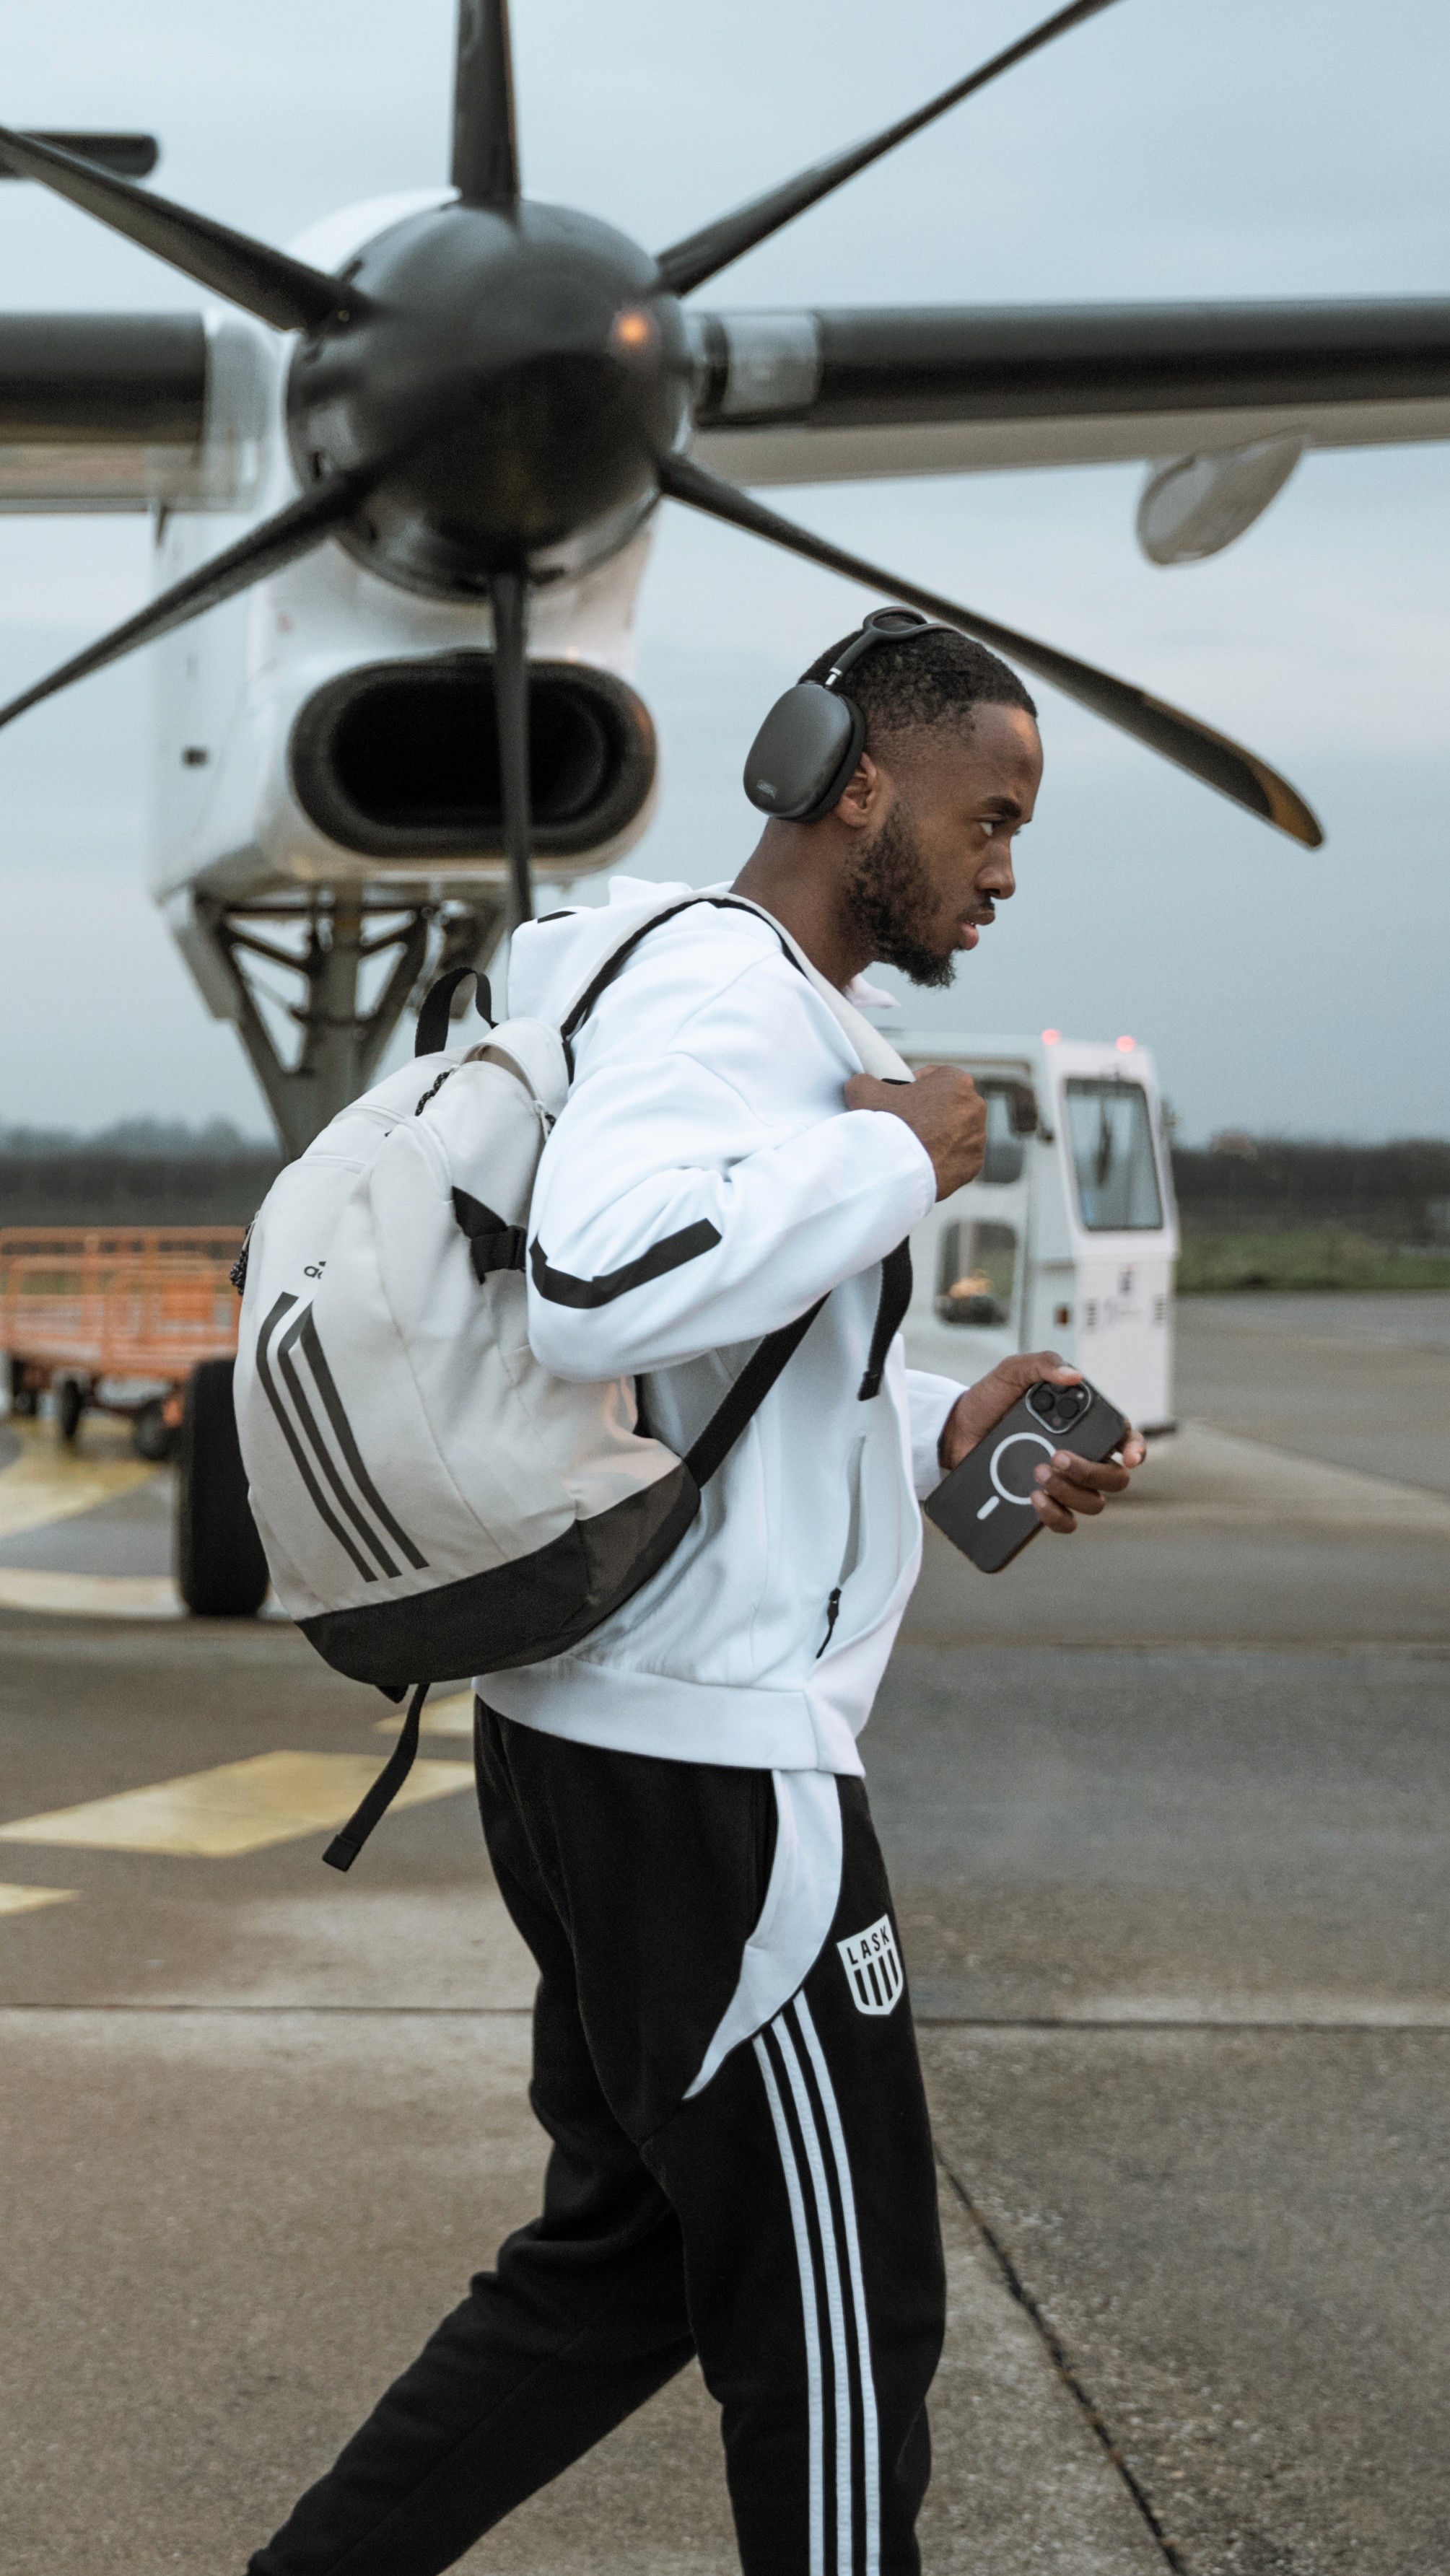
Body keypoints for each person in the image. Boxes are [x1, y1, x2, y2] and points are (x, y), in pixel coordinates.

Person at [250, 621, 1146, 2576]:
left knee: (626, 2264)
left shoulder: (697, 985)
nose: (1001, 867)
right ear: (854, 786)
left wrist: (935, 1422)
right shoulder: (735, 1009)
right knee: (840, 2331)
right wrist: (879, 1157)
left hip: (601, 1732)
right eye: (985, 816)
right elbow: (604, 1280)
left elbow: (693, 1372)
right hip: (716, 1776)